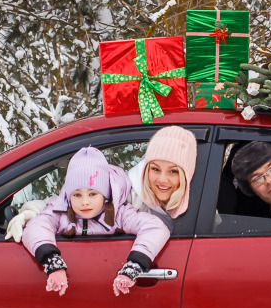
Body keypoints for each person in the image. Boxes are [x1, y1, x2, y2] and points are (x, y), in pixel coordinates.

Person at [20, 146, 170, 297]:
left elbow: (155, 228)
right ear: (68, 196)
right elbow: (36, 227)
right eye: (77, 195)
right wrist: (52, 262)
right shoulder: (60, 213)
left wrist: (134, 265)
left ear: (105, 195)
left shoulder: (119, 215)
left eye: (92, 194)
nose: (85, 202)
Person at [129, 125, 198, 222]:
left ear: (186, 176)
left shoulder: (201, 206)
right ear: (146, 168)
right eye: (155, 169)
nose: (162, 179)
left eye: (173, 171)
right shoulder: (128, 197)